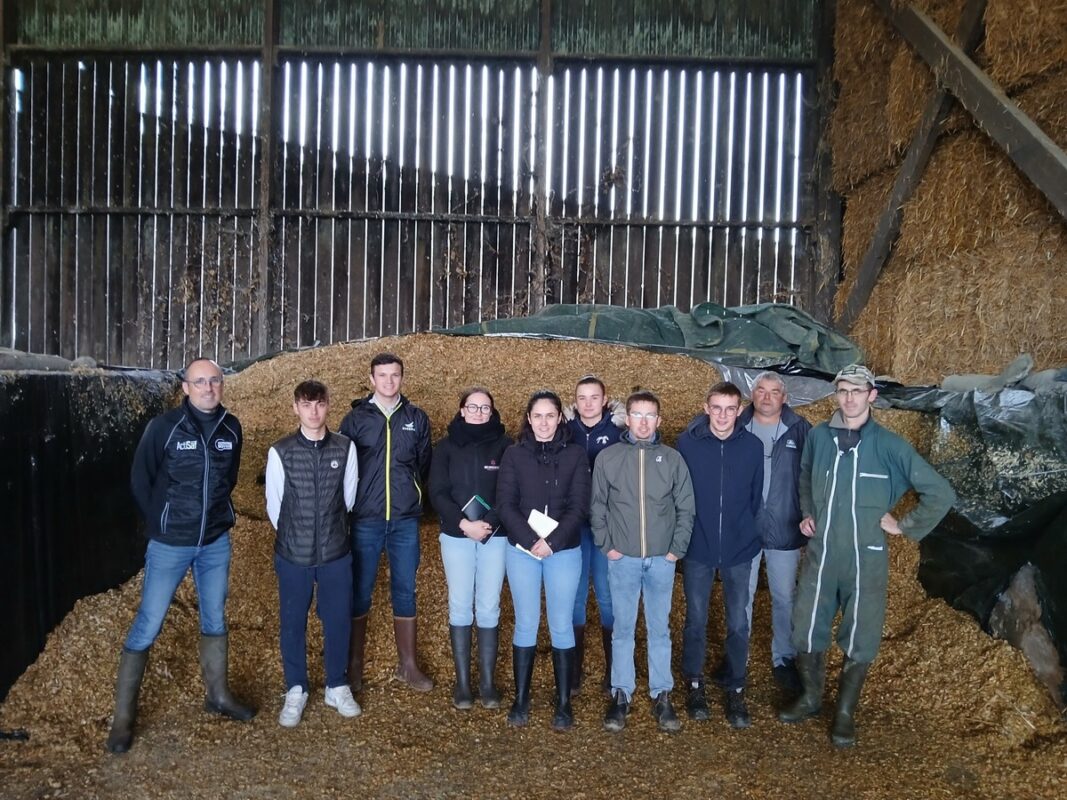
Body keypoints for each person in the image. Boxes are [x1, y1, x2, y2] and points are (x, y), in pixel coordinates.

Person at [780, 364, 955, 747]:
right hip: (822, 553)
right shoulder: (820, 436)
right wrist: (809, 512)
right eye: (843, 390)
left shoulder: (891, 446)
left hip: (865, 556)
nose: (849, 398)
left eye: (858, 391)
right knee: (805, 625)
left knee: (862, 634)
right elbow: (806, 474)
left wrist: (905, 526)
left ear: (872, 395)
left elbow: (940, 492)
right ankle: (810, 698)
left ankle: (844, 712)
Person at [107, 357, 255, 754]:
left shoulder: (231, 428)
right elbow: (142, 479)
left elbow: (229, 478)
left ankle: (218, 695)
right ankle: (123, 718)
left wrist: (217, 520)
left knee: (215, 616)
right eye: (200, 382)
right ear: (186, 387)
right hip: (171, 543)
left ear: (222, 385)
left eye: (215, 381)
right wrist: (164, 522)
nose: (209, 388)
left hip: (215, 543)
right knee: (149, 621)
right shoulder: (164, 427)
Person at [591, 390, 695, 733]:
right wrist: (608, 546)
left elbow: (685, 508)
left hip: (660, 560)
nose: (644, 422)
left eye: (650, 416)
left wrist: (674, 550)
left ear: (659, 421)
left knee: (659, 629)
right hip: (623, 559)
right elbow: (598, 506)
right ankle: (621, 693)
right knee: (623, 629)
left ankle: (662, 693)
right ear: (628, 418)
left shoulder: (672, 459)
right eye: (637, 414)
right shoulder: (609, 458)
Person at [265, 380, 361, 727]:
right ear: (295, 408)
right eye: (306, 405)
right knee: (293, 622)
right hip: (294, 554)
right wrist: (299, 537)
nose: (314, 411)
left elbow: (347, 500)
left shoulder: (344, 448)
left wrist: (327, 534)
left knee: (337, 619)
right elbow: (275, 506)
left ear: (328, 406)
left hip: (336, 551)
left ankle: (336, 685)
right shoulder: (281, 451)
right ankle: (296, 688)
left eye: (319, 404)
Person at [496, 390, 591, 730]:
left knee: (561, 622)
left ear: (559, 419)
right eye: (537, 416)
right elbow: (505, 503)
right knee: (525, 621)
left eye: (550, 415)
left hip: (562, 550)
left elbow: (579, 505)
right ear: (529, 418)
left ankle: (563, 703)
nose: (544, 422)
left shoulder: (576, 455)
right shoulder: (514, 455)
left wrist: (551, 542)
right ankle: (522, 699)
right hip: (522, 551)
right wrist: (530, 541)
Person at [339, 352, 433, 693]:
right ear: (371, 379)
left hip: (405, 520)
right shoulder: (355, 419)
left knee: (405, 590)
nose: (389, 381)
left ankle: (408, 666)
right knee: (360, 590)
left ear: (402, 378)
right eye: (382, 375)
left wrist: (413, 495)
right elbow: (344, 466)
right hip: (365, 519)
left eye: (395, 375)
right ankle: (352, 667)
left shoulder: (416, 418)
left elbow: (423, 464)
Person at [677, 381, 763, 729]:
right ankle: (694, 683)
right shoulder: (687, 444)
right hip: (699, 545)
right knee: (695, 618)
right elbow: (680, 495)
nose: (723, 415)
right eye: (717, 407)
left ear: (740, 410)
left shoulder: (753, 447)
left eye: (730, 408)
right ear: (706, 407)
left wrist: (743, 530)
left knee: (738, 621)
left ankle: (736, 686)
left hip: (740, 547)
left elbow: (755, 497)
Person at [429, 387, 512, 711]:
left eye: (485, 408)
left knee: (489, 605)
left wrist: (487, 524)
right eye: (473, 407)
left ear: (492, 412)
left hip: (496, 536)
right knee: (461, 604)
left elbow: (509, 491)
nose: (479, 412)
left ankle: (488, 682)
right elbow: (438, 492)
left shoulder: (506, 446)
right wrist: (464, 525)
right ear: (462, 410)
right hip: (456, 535)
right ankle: (463, 683)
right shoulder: (446, 447)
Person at [737, 372, 811, 695]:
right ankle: (738, 658)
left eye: (774, 392)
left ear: (785, 397)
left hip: (785, 528)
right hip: (746, 529)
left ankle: (784, 660)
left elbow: (811, 477)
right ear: (752, 395)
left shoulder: (800, 429)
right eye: (761, 391)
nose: (766, 397)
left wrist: (810, 517)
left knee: (784, 598)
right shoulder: (737, 423)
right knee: (742, 598)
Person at [564, 375, 624, 696]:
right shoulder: (566, 430)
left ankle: (614, 670)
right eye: (582, 398)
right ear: (575, 401)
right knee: (575, 595)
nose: (588, 403)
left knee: (606, 593)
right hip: (574, 524)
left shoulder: (617, 433)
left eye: (594, 397)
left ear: (604, 400)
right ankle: (573, 672)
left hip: (606, 524)